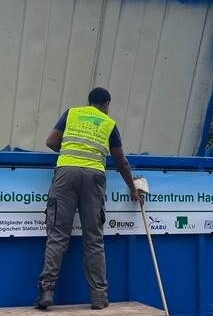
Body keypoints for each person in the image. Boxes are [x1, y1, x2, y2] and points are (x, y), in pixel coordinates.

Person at [35, 87, 143, 310]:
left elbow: (51, 141)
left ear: (89, 102)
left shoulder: (71, 113)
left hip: (65, 174)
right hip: (94, 177)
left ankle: (46, 291)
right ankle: (99, 297)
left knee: (57, 235)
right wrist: (133, 188)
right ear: (107, 105)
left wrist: (68, 150)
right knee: (93, 239)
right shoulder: (108, 123)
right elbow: (121, 161)